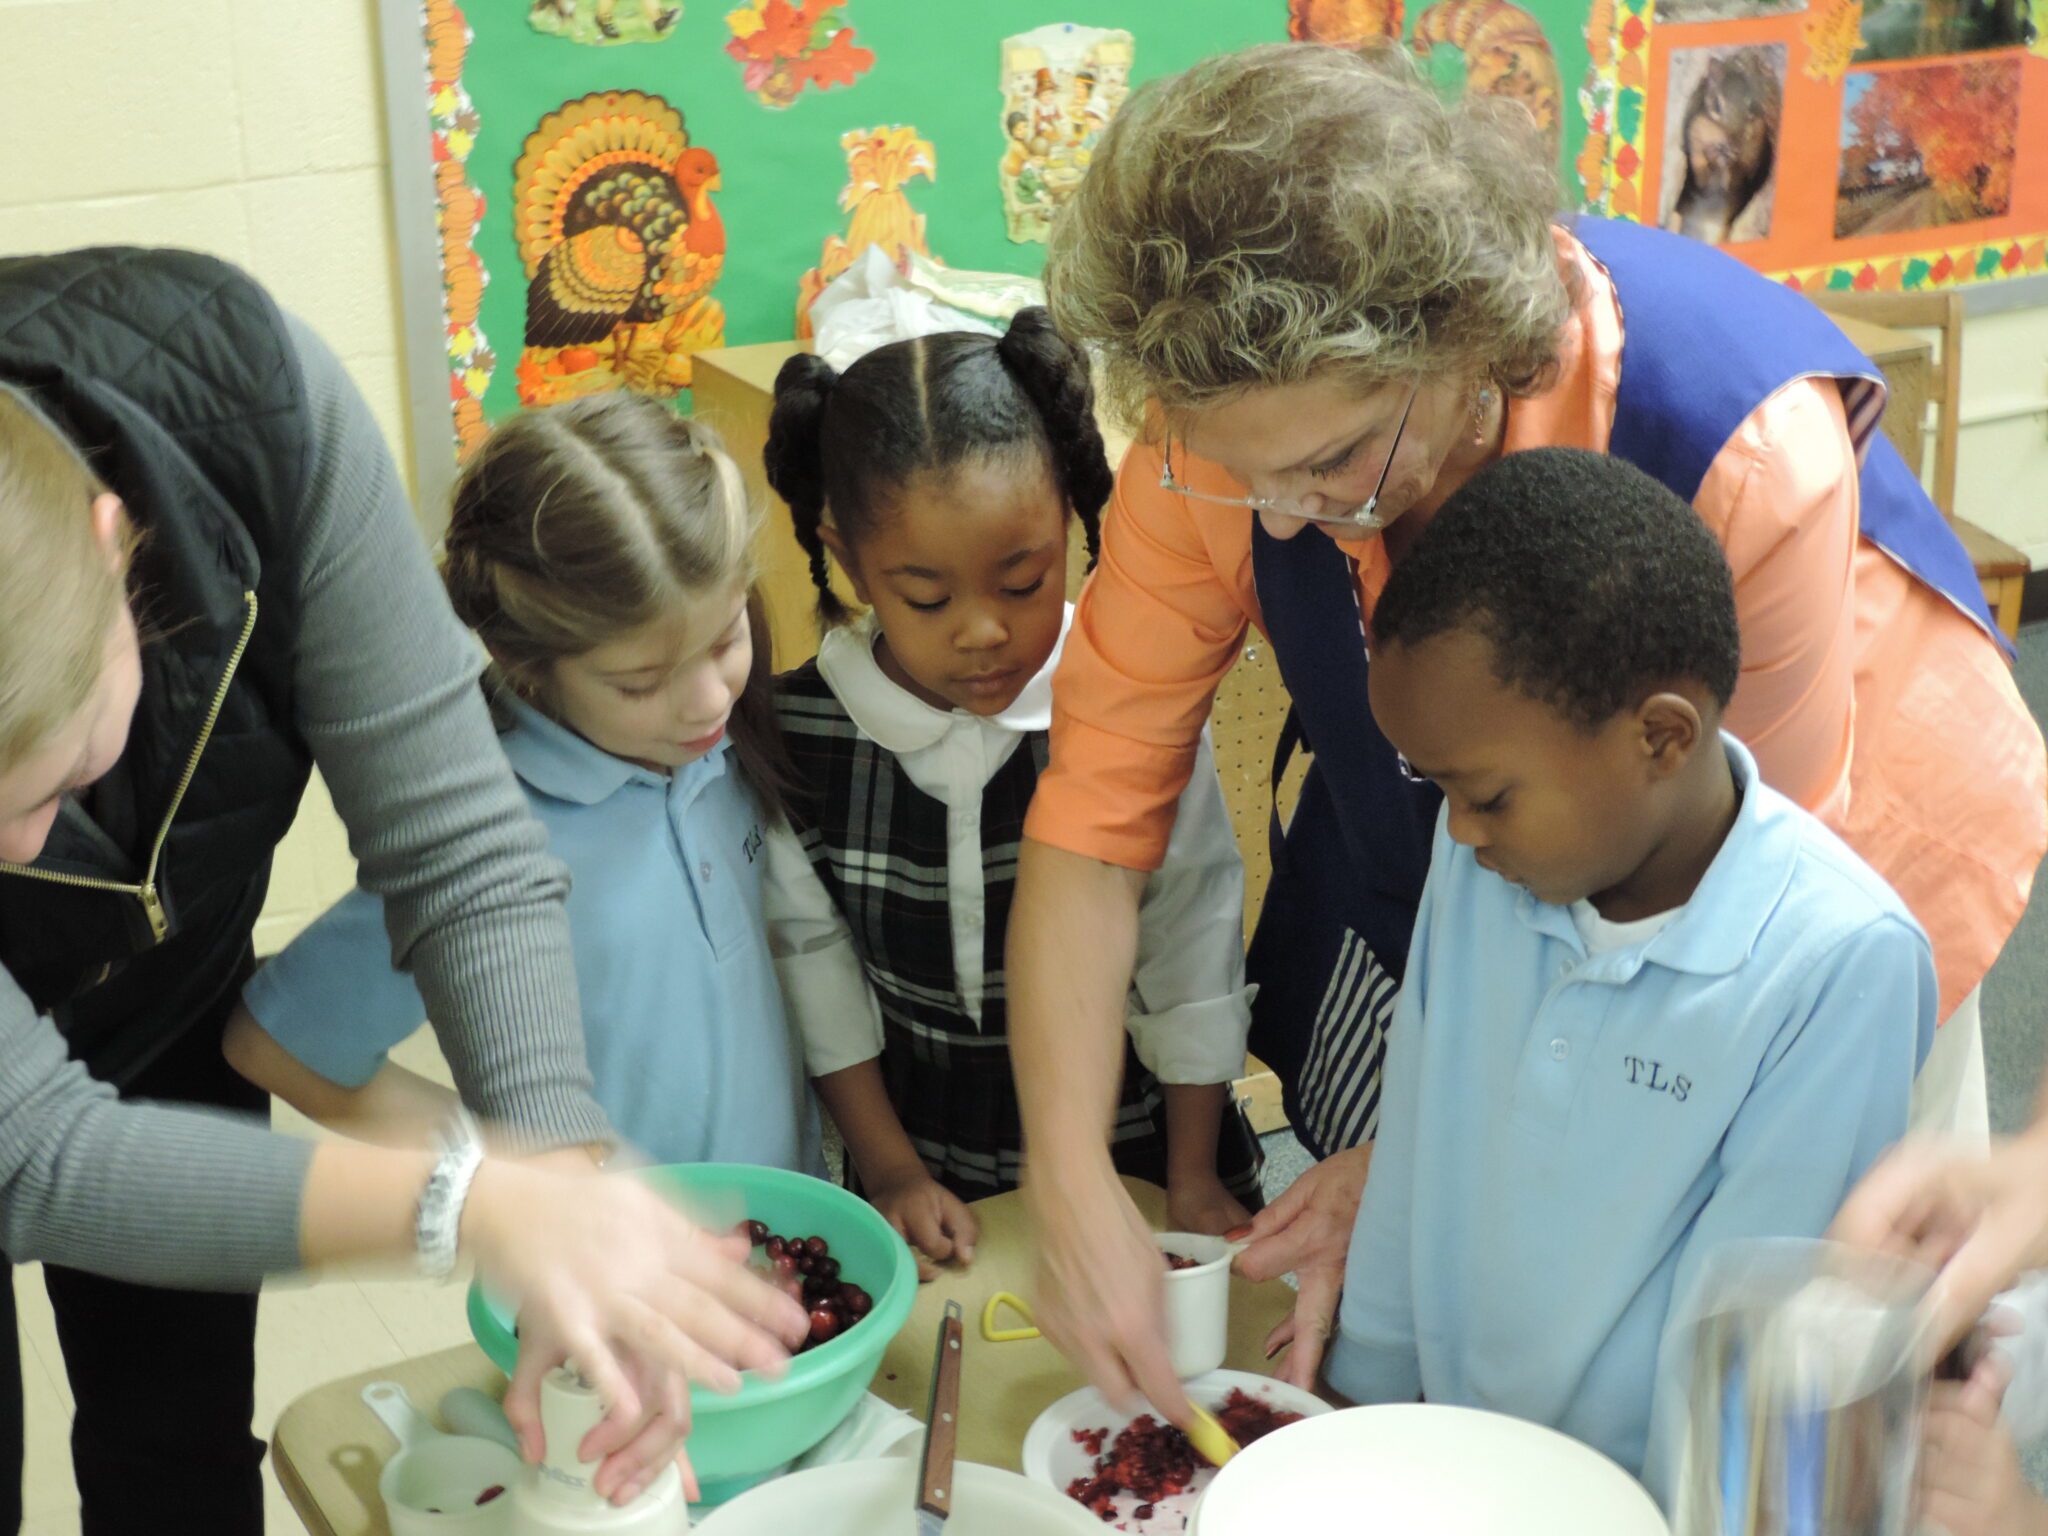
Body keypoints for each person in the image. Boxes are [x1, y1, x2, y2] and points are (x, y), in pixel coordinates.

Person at [1007, 42, 2044, 1416]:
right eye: (1238, 474)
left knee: (1782, 1345)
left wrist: (1425, 1167)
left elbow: (1740, 953)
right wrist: (1069, 1174)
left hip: (1815, 859)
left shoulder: (1740, 451)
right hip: (1497, 854)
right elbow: (1093, 815)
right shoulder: (1235, 446)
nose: (1272, 524)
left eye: (1331, 467)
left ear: (1464, 348)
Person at [0, 248, 802, 1534]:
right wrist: (481, 1202)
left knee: (179, 1437)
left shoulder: (257, 404)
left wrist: (564, 1189)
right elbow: (32, 1155)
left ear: (115, 554)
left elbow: (460, 851)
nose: (25, 853)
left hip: (162, 1000)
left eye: (40, 787)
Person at [1319, 447, 1932, 1502]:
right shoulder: (1482, 868)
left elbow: (1763, 1365)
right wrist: (1349, 1415)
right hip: (1440, 1478)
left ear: (1658, 737)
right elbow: (1410, 1153)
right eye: (1439, 790)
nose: (1456, 831)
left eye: (1489, 796)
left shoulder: (1838, 965)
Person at [758, 310, 1262, 1269]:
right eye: (929, 598)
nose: (982, 632)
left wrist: (1192, 1171)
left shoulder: (1127, 706)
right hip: (923, 1162)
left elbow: (1191, 934)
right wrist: (894, 1171)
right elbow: (813, 971)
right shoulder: (801, 738)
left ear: (1072, 522)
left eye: (1023, 582)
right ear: (848, 556)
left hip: (1143, 1151)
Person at [222, 395, 822, 1183]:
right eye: (641, 683)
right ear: (524, 664)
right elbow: (277, 1046)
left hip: (792, 1225)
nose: (710, 700)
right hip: (613, 1286)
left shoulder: (717, 747)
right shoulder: (478, 840)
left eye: (727, 638)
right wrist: (533, 1174)